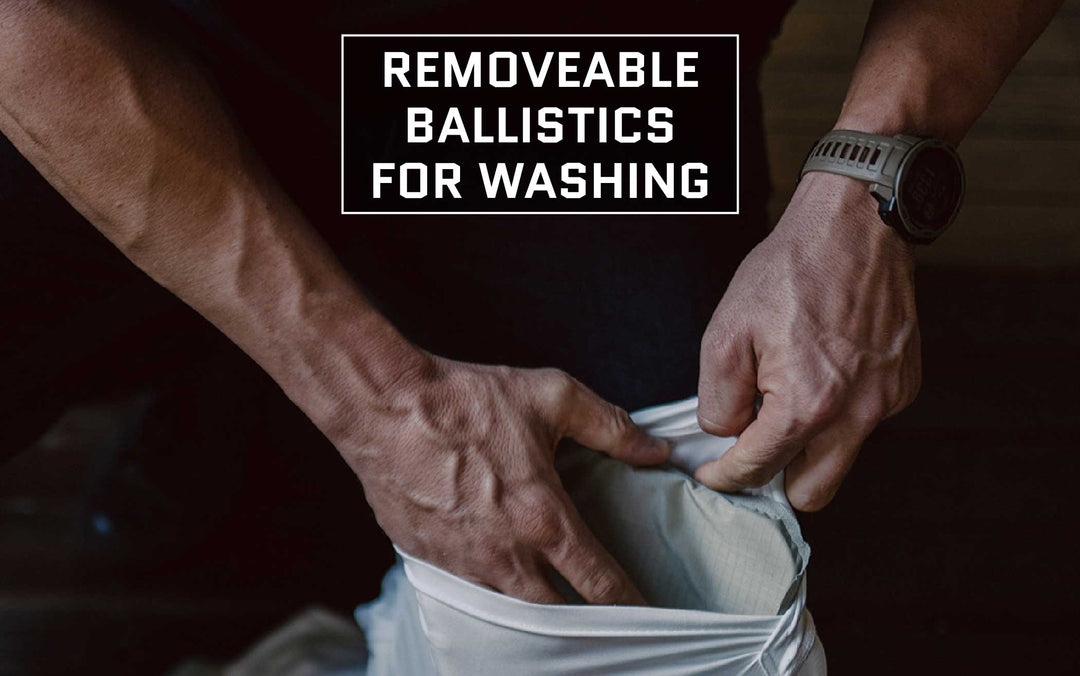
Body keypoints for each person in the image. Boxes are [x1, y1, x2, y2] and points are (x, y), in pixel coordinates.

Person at [0, 0, 1062, 603]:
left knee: (675, 533)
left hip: (579, 77)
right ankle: (249, 382)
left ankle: (264, 411)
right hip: (164, 45)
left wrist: (866, 184)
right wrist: (371, 400)